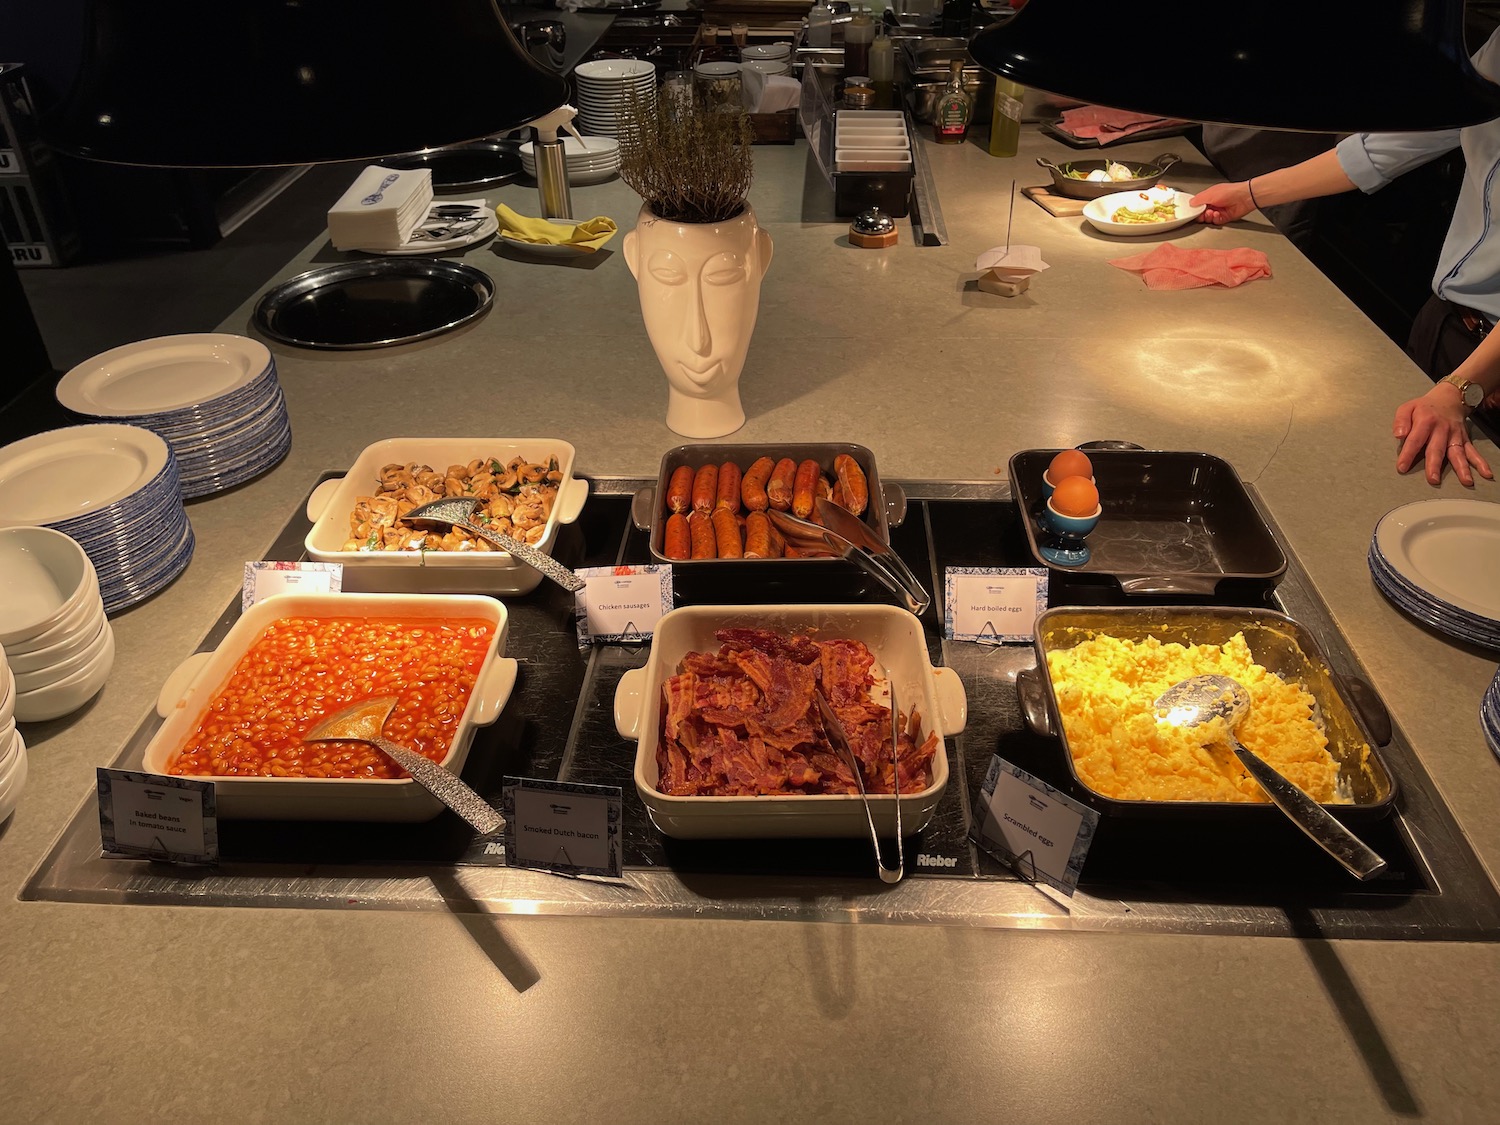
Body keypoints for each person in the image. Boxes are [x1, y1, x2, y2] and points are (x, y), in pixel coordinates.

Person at [1190, 29, 1500, 488]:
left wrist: (1462, 388)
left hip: (1478, 375)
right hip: (1449, 330)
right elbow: (1399, 141)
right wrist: (1249, 194)